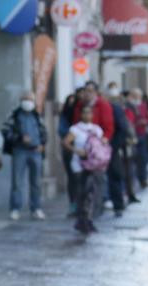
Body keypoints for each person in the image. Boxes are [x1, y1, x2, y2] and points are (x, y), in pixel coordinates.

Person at [64, 101, 107, 234]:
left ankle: (88, 220)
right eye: (84, 112)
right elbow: (66, 142)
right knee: (82, 193)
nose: (87, 114)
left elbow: (100, 146)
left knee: (92, 193)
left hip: (93, 165)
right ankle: (81, 220)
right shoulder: (75, 129)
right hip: (79, 165)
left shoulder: (97, 129)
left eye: (89, 112)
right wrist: (77, 150)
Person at [4, 91, 46, 220]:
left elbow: (44, 132)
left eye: (30, 99)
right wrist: (20, 138)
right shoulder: (14, 115)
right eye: (25, 99)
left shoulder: (37, 115)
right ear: (21, 100)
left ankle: (36, 208)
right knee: (17, 181)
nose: (28, 102)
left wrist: (42, 144)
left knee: (36, 182)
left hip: (35, 151)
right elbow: (6, 132)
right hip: (20, 151)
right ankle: (15, 208)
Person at [105, 83, 137, 216]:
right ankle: (117, 201)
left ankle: (117, 201)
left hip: (113, 146)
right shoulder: (115, 108)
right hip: (114, 146)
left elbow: (123, 126)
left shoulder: (115, 108)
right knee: (117, 173)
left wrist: (116, 144)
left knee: (116, 174)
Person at [58, 87, 86, 216]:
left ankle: (83, 204)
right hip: (72, 151)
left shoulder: (87, 124)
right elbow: (64, 134)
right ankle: (74, 204)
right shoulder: (72, 125)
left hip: (85, 151)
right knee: (73, 178)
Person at [125, 89, 148, 189]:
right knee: (132, 159)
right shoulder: (129, 106)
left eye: (138, 95)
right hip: (133, 135)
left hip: (142, 134)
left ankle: (143, 178)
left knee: (143, 158)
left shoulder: (144, 105)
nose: (136, 97)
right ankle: (133, 180)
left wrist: (146, 121)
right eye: (134, 95)